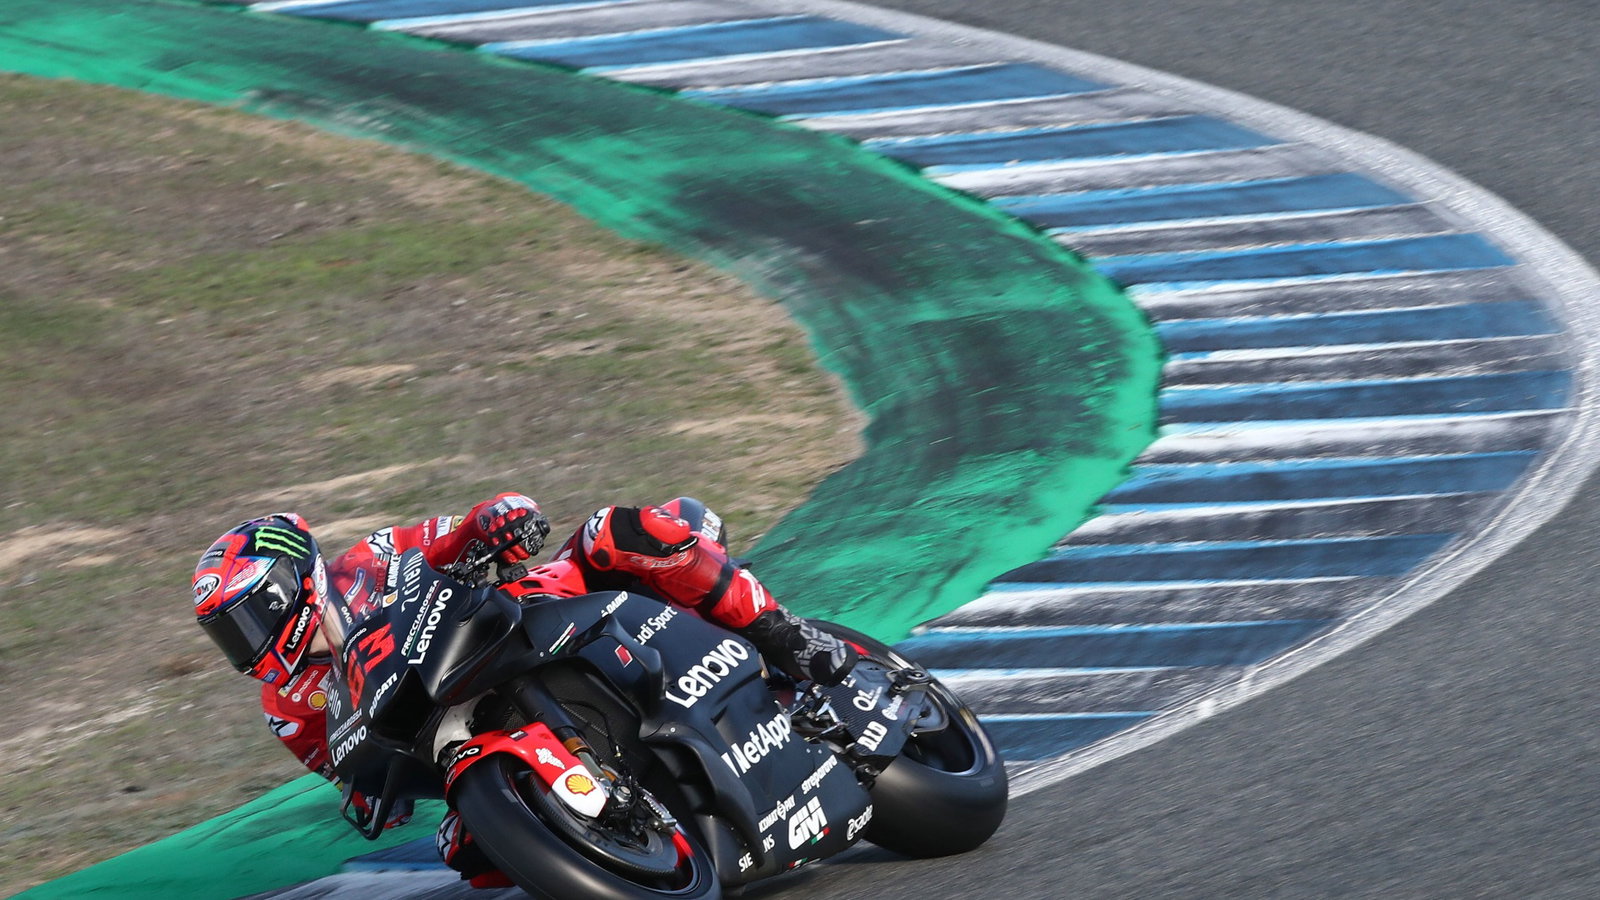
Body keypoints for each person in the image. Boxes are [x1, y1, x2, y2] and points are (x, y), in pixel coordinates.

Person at [190, 493, 857, 888]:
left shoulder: (370, 561)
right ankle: (622, 846)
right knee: (468, 855)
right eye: (229, 633)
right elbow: (351, 778)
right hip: (455, 738)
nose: (245, 643)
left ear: (291, 582)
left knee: (612, 533)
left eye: (249, 616)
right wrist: (370, 792)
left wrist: (498, 520)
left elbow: (452, 537)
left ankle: (785, 636)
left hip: (520, 624)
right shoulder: (285, 706)